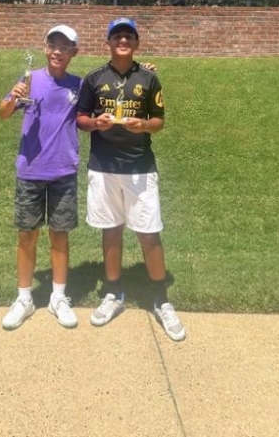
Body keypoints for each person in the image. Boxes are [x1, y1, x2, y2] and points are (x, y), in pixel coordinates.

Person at [76, 17, 186, 341]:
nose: (123, 40)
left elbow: (159, 121)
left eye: (128, 36)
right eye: (117, 36)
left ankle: (161, 300)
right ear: (108, 43)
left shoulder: (148, 78)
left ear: (136, 43)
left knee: (149, 234)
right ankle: (114, 293)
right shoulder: (94, 78)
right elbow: (81, 118)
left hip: (140, 168)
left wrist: (144, 125)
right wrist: (96, 124)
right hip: (103, 167)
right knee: (111, 231)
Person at [0, 25, 81, 330]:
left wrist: (144, 70)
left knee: (60, 234)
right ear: (46, 48)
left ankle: (58, 297)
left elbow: (106, 96)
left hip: (63, 170)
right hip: (30, 171)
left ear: (74, 52)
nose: (58, 51)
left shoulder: (79, 85)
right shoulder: (29, 80)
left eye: (65, 47)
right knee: (26, 235)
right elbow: (2, 113)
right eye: (53, 45)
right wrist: (13, 98)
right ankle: (24, 299)